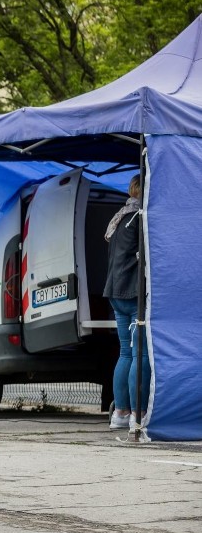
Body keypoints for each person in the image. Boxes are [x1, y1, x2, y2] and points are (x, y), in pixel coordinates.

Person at [104, 175, 150, 431]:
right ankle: (138, 414)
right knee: (138, 354)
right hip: (134, 294)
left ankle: (120, 412)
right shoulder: (140, 218)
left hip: (115, 292)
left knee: (124, 353)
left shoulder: (120, 217)